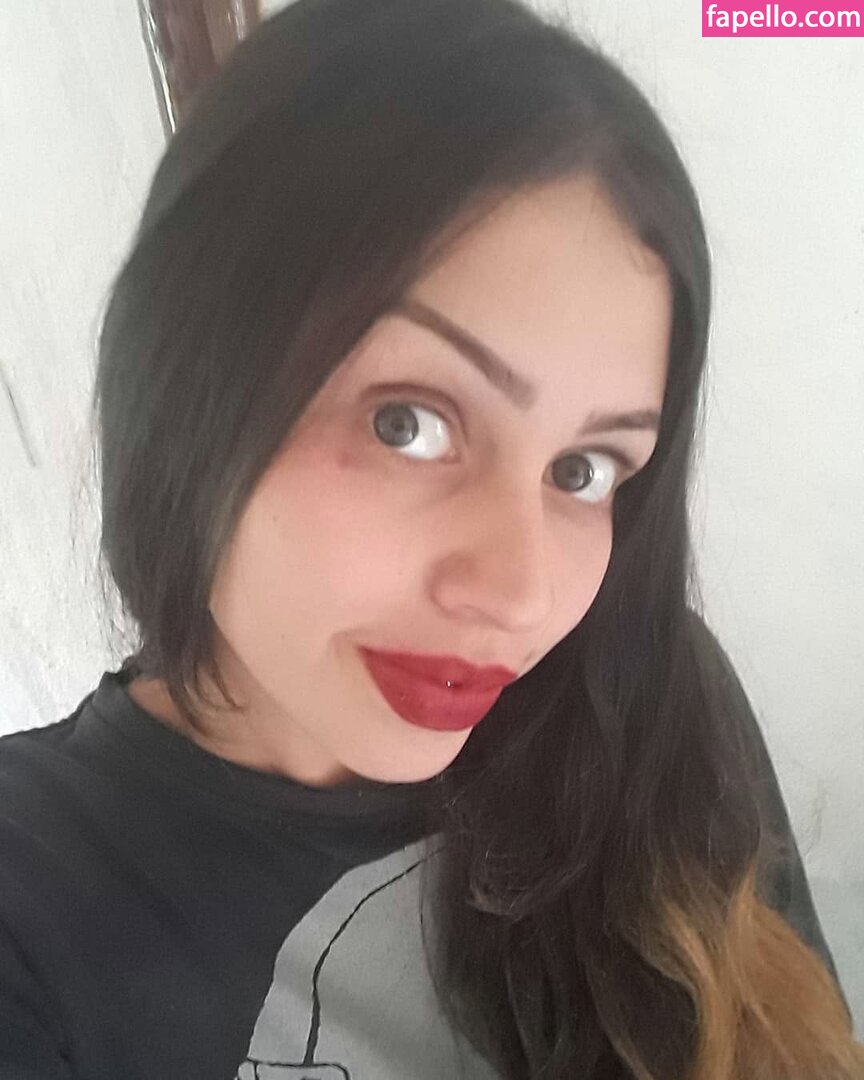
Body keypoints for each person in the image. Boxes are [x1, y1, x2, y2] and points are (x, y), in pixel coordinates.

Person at [0, 0, 860, 1077]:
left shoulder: (647, 690)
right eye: (407, 422)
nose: (521, 593)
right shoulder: (34, 905)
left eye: (584, 470)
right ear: (183, 393)